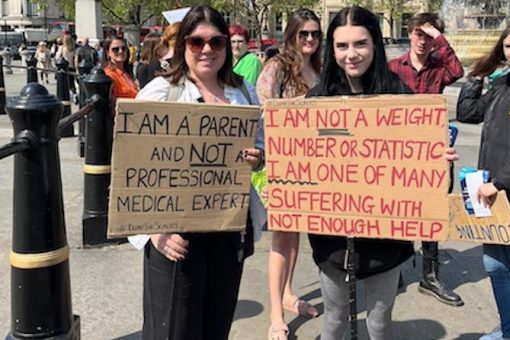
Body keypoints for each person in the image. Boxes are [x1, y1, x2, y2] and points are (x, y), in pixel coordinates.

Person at [306, 6, 459, 340]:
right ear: (331, 49)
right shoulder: (316, 100)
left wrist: (437, 159)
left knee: (379, 321)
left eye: (360, 43)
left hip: (385, 236)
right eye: (342, 45)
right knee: (333, 320)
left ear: (375, 43)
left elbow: (428, 175)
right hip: (332, 238)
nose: (351, 54)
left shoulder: (400, 96)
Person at [135, 4, 264, 339]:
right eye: (197, 42)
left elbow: (263, 145)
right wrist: (154, 232)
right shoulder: (161, 92)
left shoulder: (244, 92)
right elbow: (130, 168)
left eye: (216, 42)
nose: (207, 50)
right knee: (174, 329)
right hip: (175, 235)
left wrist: (258, 157)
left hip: (228, 229)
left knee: (216, 325)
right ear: (183, 46)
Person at [457, 19, 510, 340]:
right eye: (509, 46)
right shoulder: (503, 82)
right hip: (486, 189)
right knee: (496, 266)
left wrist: (500, 183)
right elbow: (468, 113)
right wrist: (477, 76)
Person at [388, 12, 464, 307]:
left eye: (429, 36)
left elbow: (457, 72)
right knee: (397, 207)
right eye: (419, 34)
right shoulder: (394, 67)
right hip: (400, 149)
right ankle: (394, 267)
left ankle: (430, 274)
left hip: (433, 149)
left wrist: (440, 38)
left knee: (431, 209)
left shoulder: (439, 67)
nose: (423, 40)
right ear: (409, 34)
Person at [256, 8, 322, 340]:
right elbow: (262, 112)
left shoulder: (320, 69)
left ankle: (289, 293)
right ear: (292, 35)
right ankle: (276, 316)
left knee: (296, 236)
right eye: (303, 33)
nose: (310, 39)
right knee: (282, 238)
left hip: (312, 166)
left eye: (315, 34)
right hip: (282, 165)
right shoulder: (276, 67)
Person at [102, 37, 139, 109]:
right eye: (115, 49)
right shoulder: (109, 74)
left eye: (123, 48)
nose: (120, 51)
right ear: (107, 52)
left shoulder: (126, 72)